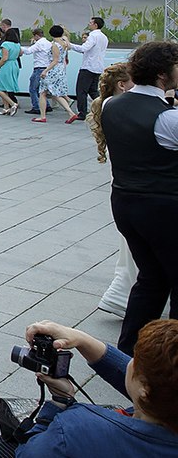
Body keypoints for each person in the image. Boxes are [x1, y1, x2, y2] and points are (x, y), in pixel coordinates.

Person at [0, 319, 178, 458]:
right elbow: (158, 382)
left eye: (136, 360)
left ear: (145, 390)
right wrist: (83, 340)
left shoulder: (74, 430)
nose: (130, 362)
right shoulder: (166, 403)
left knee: (3, 446)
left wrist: (59, 403)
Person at [99, 40, 178, 354]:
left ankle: (129, 351)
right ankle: (168, 359)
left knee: (152, 277)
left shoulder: (111, 105)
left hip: (124, 202)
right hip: (164, 206)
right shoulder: (168, 119)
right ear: (162, 74)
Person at [88, 62, 137, 318]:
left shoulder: (109, 107)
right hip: (132, 191)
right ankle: (121, 295)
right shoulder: (117, 108)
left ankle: (121, 294)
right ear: (122, 85)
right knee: (131, 248)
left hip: (124, 190)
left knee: (130, 247)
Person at [68, 16, 109, 122]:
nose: (89, 24)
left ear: (95, 25)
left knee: (81, 90)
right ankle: (102, 108)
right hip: (98, 66)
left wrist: (70, 45)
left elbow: (84, 48)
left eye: (91, 22)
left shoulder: (92, 36)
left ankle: (82, 112)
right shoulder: (104, 37)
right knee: (93, 91)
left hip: (88, 66)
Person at [34, 25, 76, 123]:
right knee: (54, 93)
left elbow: (55, 60)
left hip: (53, 70)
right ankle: (70, 113)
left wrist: (45, 70)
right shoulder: (65, 43)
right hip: (61, 69)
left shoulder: (55, 45)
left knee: (44, 93)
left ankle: (43, 116)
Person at [0, 27, 25, 117]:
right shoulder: (17, 44)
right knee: (5, 87)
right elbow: (20, 53)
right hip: (14, 64)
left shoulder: (5, 44)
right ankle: (6, 108)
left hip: (6, 66)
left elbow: (4, 58)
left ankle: (12, 104)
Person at [25, 27, 52, 115]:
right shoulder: (48, 43)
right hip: (46, 67)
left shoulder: (39, 43)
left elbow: (28, 51)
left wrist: (19, 48)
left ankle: (36, 106)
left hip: (39, 67)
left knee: (33, 88)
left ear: (36, 35)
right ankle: (46, 105)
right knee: (42, 89)